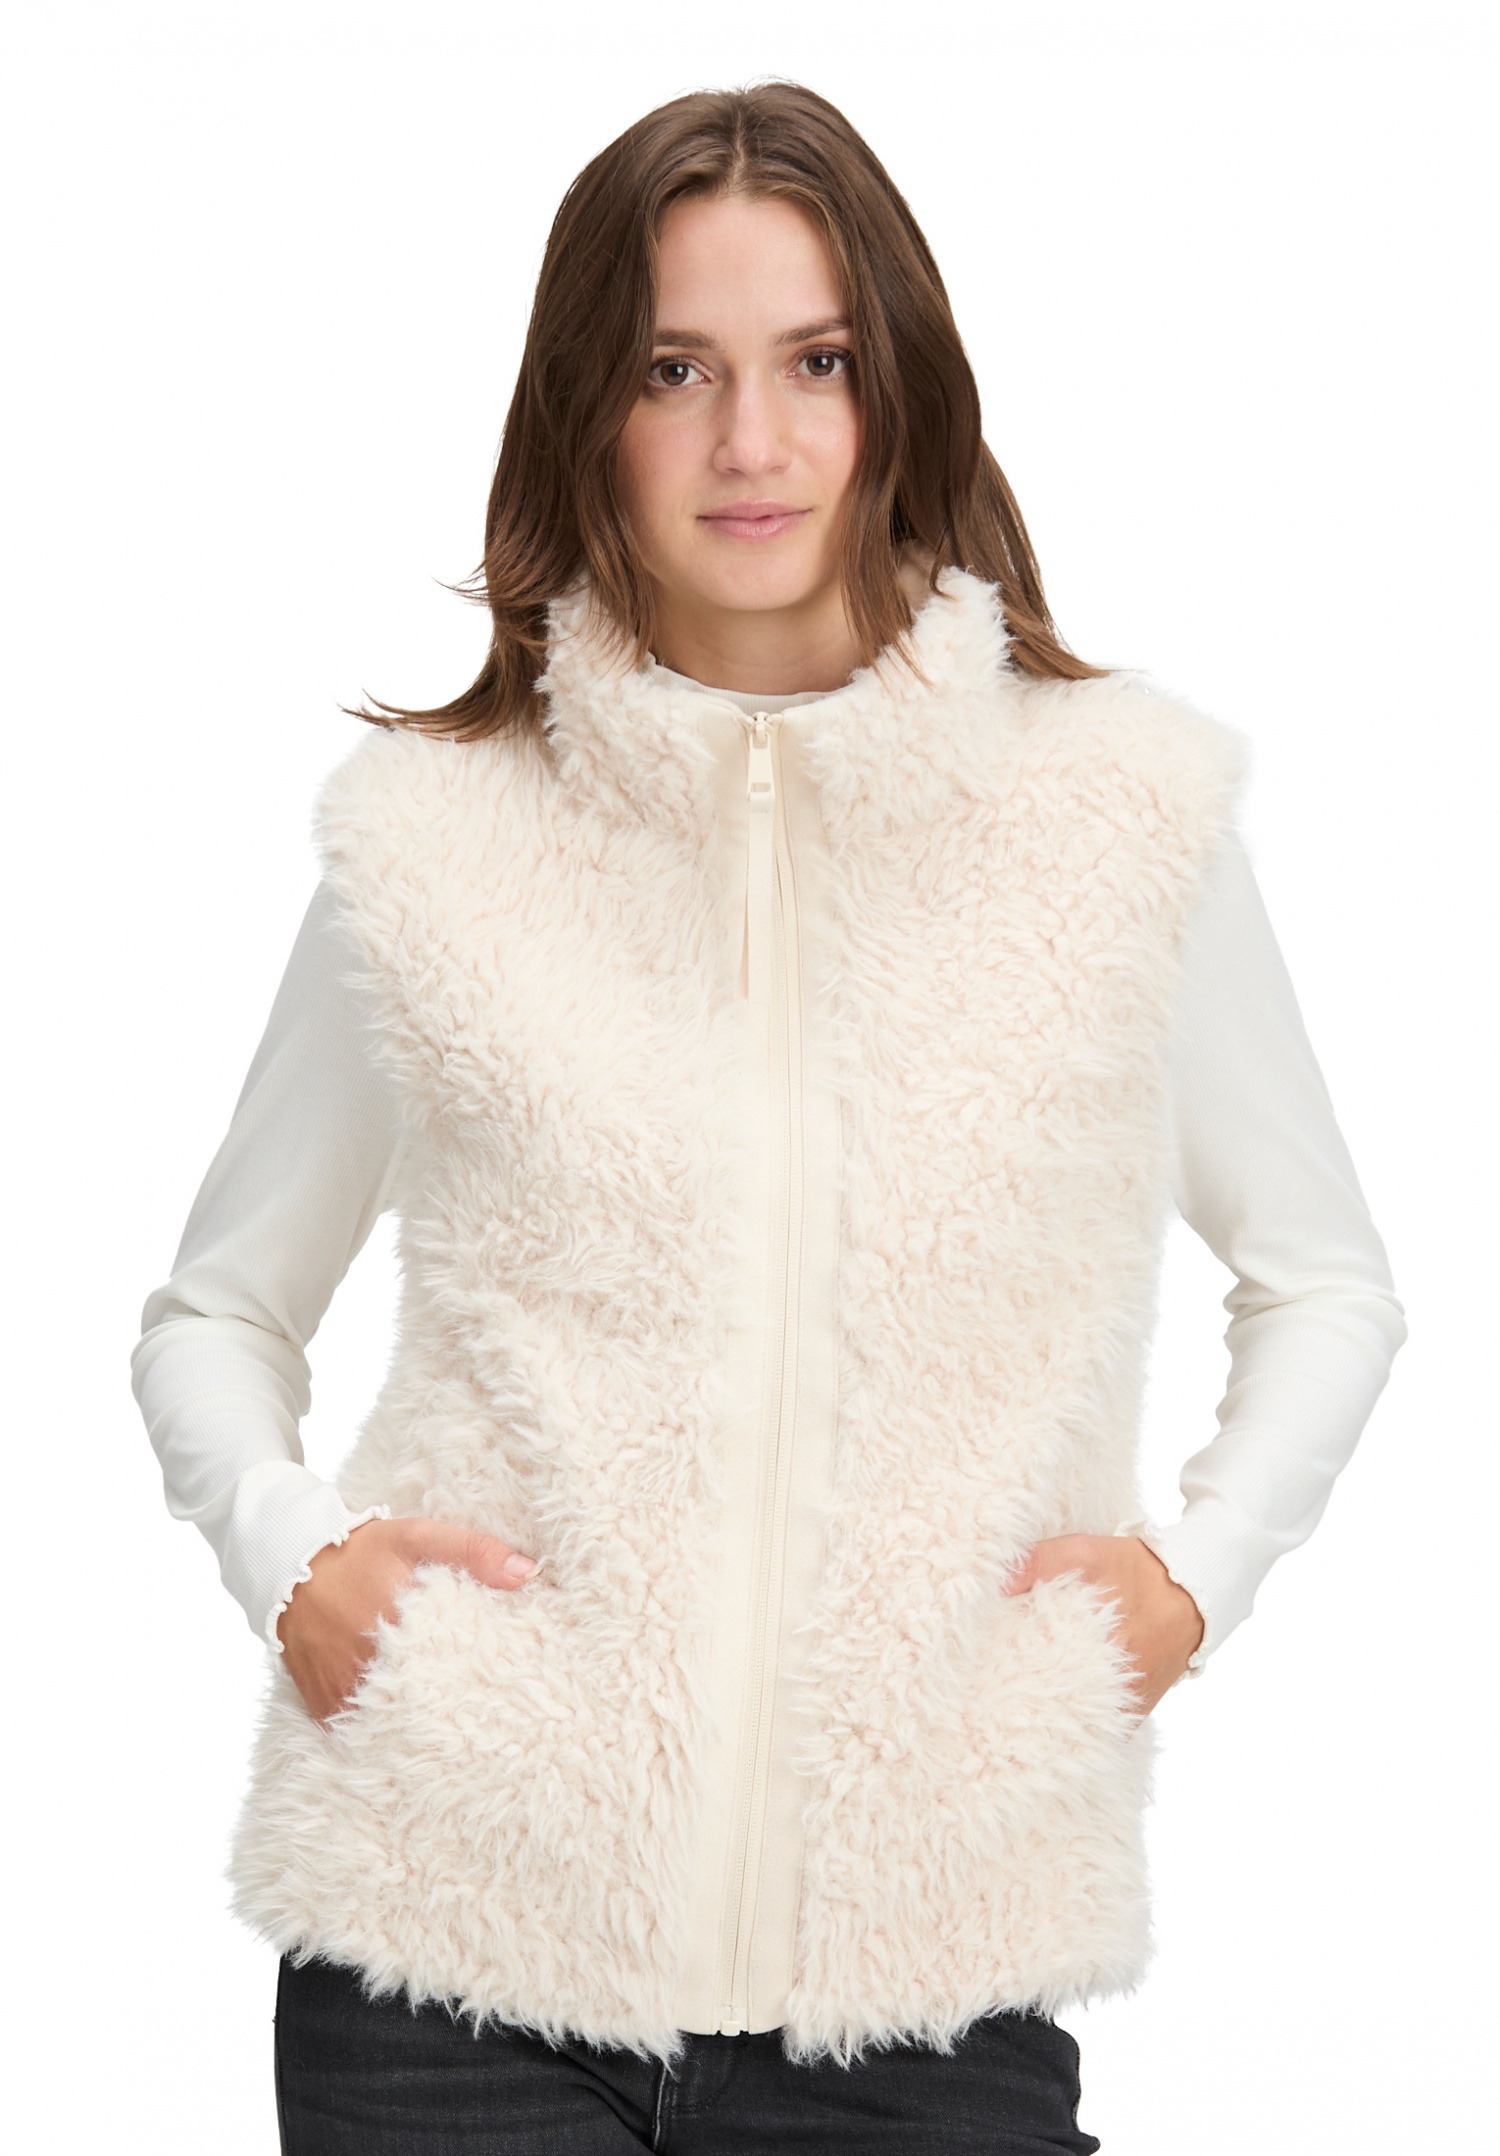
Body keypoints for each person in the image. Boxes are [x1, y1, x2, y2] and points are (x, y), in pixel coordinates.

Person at [132, 81, 1405, 2155]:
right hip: (453, 1963)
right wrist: (296, 1563)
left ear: (900, 389)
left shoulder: (1117, 820)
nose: (752, 440)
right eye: (675, 369)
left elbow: (1328, 1282)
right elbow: (213, 1314)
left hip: (925, 1981)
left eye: (815, 362)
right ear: (588, 409)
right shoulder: (435, 839)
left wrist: (1193, 1580)